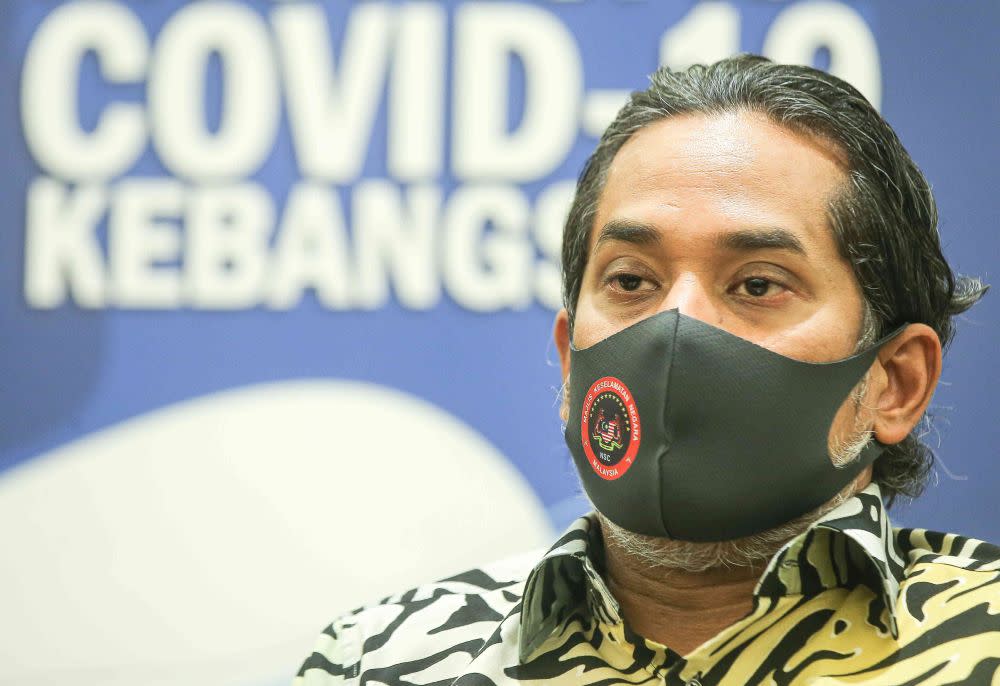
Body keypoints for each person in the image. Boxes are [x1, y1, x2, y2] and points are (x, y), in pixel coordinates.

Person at [294, 55, 998, 685]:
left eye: (757, 284)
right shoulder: (379, 659)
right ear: (570, 360)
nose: (676, 327)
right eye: (631, 281)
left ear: (895, 383)